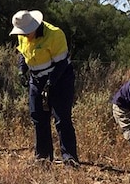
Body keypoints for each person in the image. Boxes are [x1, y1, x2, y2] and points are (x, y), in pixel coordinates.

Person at [10, 9, 79, 166]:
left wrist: (50, 84)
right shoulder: (23, 34)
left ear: (35, 26)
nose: (24, 35)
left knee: (62, 119)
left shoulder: (55, 34)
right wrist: (22, 71)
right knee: (38, 118)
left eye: (27, 32)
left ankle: (70, 158)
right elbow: (22, 54)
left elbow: (61, 64)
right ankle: (43, 157)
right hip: (36, 79)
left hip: (60, 79)